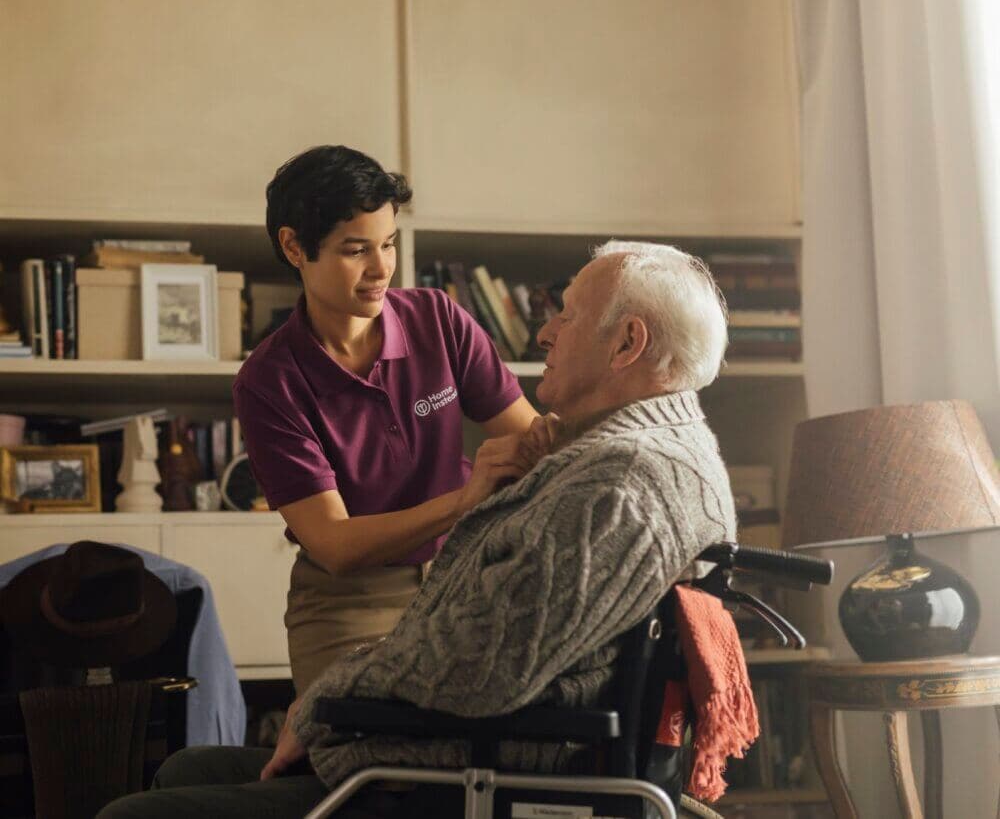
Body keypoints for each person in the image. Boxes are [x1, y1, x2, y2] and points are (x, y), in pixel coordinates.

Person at [99, 239, 736, 819]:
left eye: (566, 316)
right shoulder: (655, 452)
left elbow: (483, 667)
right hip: (483, 738)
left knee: (134, 814)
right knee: (188, 768)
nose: (544, 332)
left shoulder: (619, 486)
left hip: (479, 772)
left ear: (626, 344)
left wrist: (323, 700)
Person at [232, 145, 539, 696]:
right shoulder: (268, 381)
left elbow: (534, 443)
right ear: (294, 246)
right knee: (341, 743)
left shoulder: (439, 319)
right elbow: (336, 544)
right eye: (356, 251)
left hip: (468, 573)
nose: (381, 270)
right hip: (351, 602)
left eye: (389, 244)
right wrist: (464, 501)